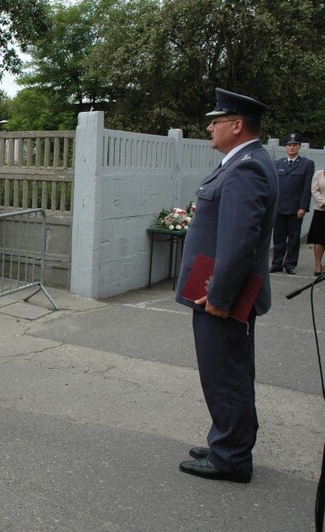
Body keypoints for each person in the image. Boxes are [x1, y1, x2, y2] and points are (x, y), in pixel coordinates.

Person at [175, 88, 278, 483]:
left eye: (216, 121)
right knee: (230, 371)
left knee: (224, 374)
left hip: (221, 295)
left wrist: (219, 295)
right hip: (220, 290)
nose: (210, 127)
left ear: (237, 126)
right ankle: (230, 440)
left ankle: (231, 457)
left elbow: (239, 240)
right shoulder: (243, 162)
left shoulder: (246, 168)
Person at [270, 133, 314, 275]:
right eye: (289, 145)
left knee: (294, 238)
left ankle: (290, 264)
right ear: (286, 147)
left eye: (295, 145)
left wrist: (303, 207)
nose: (292, 148)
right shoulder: (278, 164)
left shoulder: (306, 164)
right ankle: (277, 263)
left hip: (295, 208)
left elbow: (307, 188)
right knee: (278, 237)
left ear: (299, 146)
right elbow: (273, 186)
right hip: (279, 207)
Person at [308, 169, 325, 275]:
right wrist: (323, 203)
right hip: (321, 210)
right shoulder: (319, 173)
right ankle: (318, 265)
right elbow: (314, 190)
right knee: (319, 239)